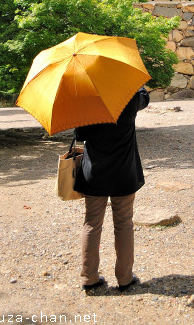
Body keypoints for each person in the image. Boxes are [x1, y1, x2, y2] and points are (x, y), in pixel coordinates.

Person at [74, 86, 149, 292]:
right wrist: (137, 85)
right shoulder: (129, 96)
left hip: (94, 173)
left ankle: (89, 277)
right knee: (124, 223)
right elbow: (145, 98)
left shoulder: (86, 100)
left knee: (91, 223)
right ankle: (125, 278)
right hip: (123, 172)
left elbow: (80, 134)